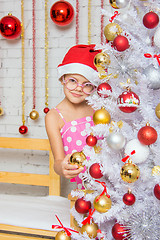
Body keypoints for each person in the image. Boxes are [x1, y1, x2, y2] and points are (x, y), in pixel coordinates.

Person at [45, 44, 101, 197]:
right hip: (85, 188)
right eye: (72, 81)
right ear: (62, 79)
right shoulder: (54, 117)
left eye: (87, 85)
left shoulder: (98, 109)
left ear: (94, 87)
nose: (78, 88)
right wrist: (62, 167)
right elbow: (58, 161)